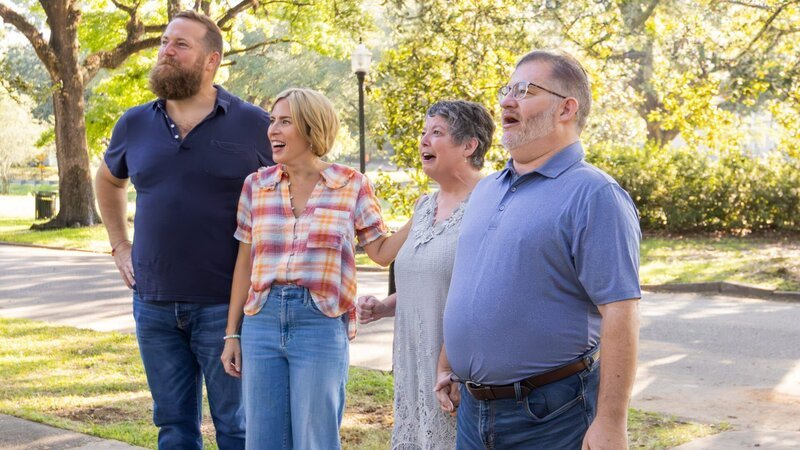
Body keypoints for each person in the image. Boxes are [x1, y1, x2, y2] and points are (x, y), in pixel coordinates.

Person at [435, 50, 641, 449]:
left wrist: (612, 422)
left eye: (525, 90)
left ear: (566, 109)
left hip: (550, 417)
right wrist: (449, 363)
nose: (506, 101)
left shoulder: (596, 194)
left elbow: (621, 313)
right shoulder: (486, 190)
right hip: (472, 414)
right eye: (506, 90)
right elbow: (470, 283)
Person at [95, 10, 272, 450]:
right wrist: (119, 245)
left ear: (211, 60)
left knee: (237, 427)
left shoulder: (255, 124)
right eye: (164, 42)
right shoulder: (133, 123)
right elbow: (108, 180)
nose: (165, 52)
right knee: (173, 428)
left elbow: (291, 190)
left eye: (180, 45)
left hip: (226, 307)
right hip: (153, 303)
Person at [220, 88, 410, 450]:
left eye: (285, 122)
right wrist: (233, 334)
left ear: (312, 128)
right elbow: (244, 262)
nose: (273, 130)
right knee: (263, 440)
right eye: (272, 121)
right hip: (261, 320)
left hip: (319, 322)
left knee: (316, 439)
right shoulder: (256, 186)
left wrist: (421, 217)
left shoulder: (351, 185)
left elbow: (381, 253)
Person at [357, 100, 495, 449]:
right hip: (413, 362)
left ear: (469, 145)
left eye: (436, 133)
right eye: (423, 132)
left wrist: (458, 368)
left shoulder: (490, 203)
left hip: (457, 369)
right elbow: (417, 273)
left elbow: (484, 293)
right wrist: (385, 306)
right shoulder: (424, 206)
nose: (423, 141)